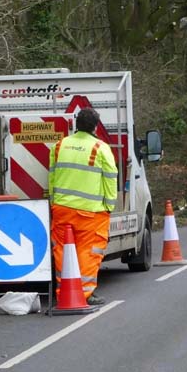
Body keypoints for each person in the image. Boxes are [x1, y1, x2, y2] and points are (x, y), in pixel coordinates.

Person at [48, 106, 118, 305]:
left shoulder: (59, 146)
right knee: (89, 251)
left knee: (62, 250)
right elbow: (110, 178)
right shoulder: (100, 147)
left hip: (62, 209)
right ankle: (85, 293)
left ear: (76, 125)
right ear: (95, 127)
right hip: (91, 212)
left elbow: (52, 176)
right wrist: (109, 205)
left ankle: (65, 291)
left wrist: (55, 201)